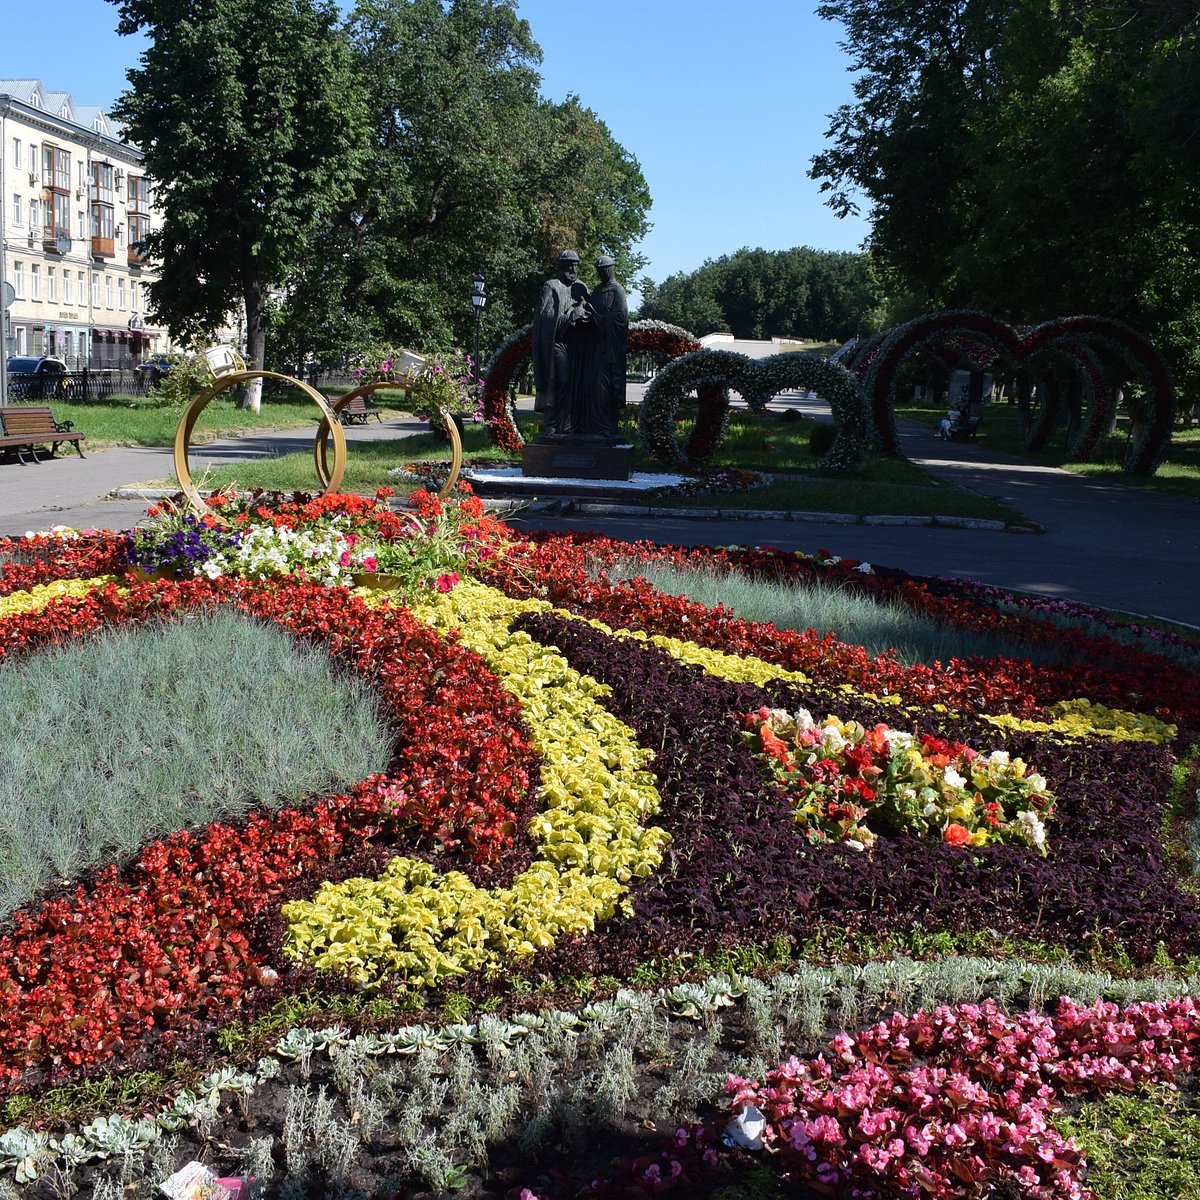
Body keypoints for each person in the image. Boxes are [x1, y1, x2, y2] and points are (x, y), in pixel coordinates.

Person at [532, 250, 593, 437]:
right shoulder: (551, 287)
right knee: (561, 380)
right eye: (569, 265)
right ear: (562, 266)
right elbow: (546, 320)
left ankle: (571, 425)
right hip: (557, 343)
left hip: (577, 345)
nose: (572, 269)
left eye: (575, 265)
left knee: (577, 383)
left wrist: (586, 317)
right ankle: (552, 423)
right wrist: (570, 316)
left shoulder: (582, 288)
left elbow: (590, 312)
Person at [587, 254, 629, 438]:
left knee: (605, 385)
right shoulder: (597, 291)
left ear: (611, 268)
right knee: (594, 385)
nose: (602, 273)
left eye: (605, 269)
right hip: (597, 346)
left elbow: (621, 317)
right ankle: (595, 425)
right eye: (599, 270)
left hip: (611, 347)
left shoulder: (617, 290)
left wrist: (600, 318)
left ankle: (607, 426)